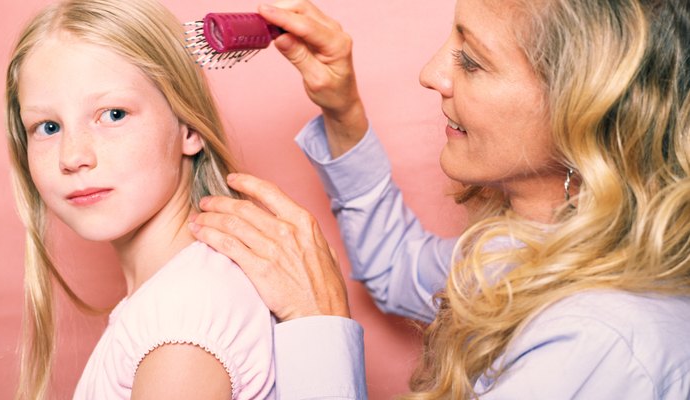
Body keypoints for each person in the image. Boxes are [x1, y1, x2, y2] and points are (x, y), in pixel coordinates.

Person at [190, 0, 690, 398]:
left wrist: (318, 325)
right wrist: (343, 112)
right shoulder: (533, 245)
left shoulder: (600, 342)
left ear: (586, 107)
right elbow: (395, 267)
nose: (431, 74)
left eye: (471, 62)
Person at [5, 0, 275, 399]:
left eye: (113, 114)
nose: (73, 156)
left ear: (189, 128)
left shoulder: (182, 326)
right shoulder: (175, 299)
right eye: (48, 126)